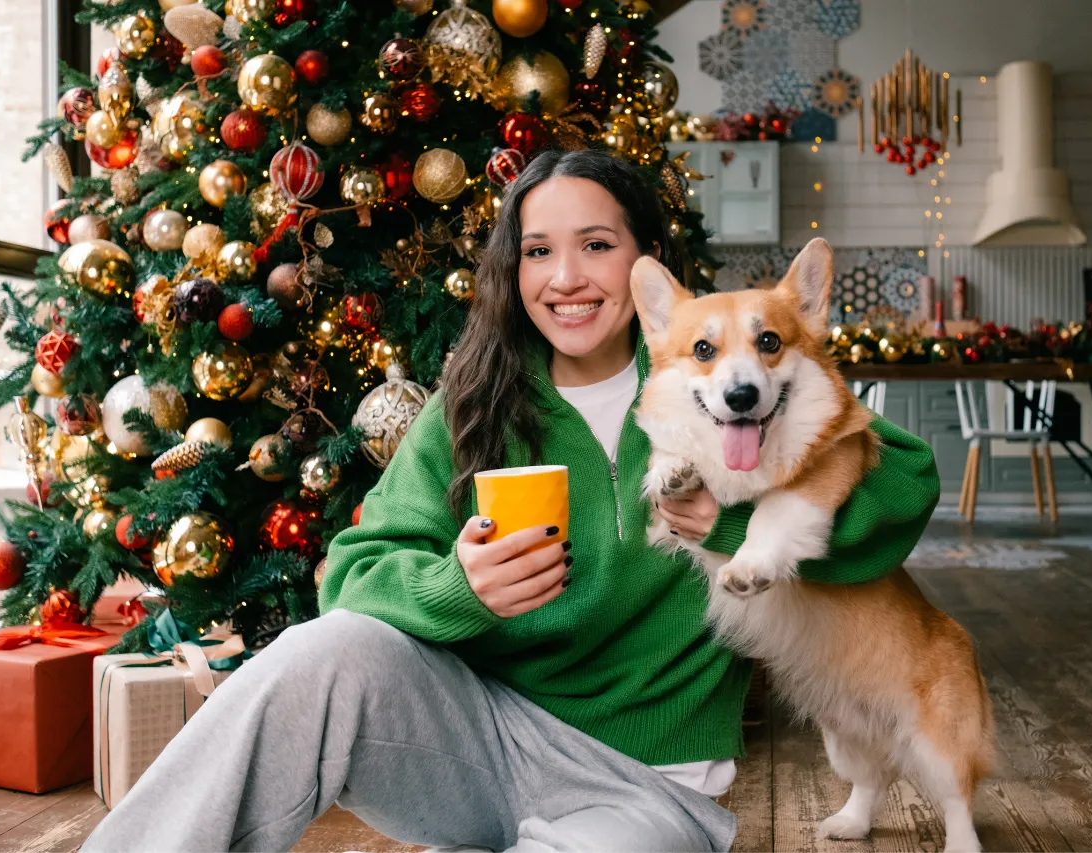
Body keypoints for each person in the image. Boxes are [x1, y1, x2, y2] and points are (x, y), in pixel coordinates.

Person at [81, 149, 940, 853]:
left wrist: (737, 519)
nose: (565, 277)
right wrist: (460, 586)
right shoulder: (477, 402)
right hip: (475, 743)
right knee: (325, 652)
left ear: (648, 273)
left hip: (647, 791)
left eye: (597, 245)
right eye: (537, 251)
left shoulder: (726, 390)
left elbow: (903, 485)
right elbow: (351, 575)